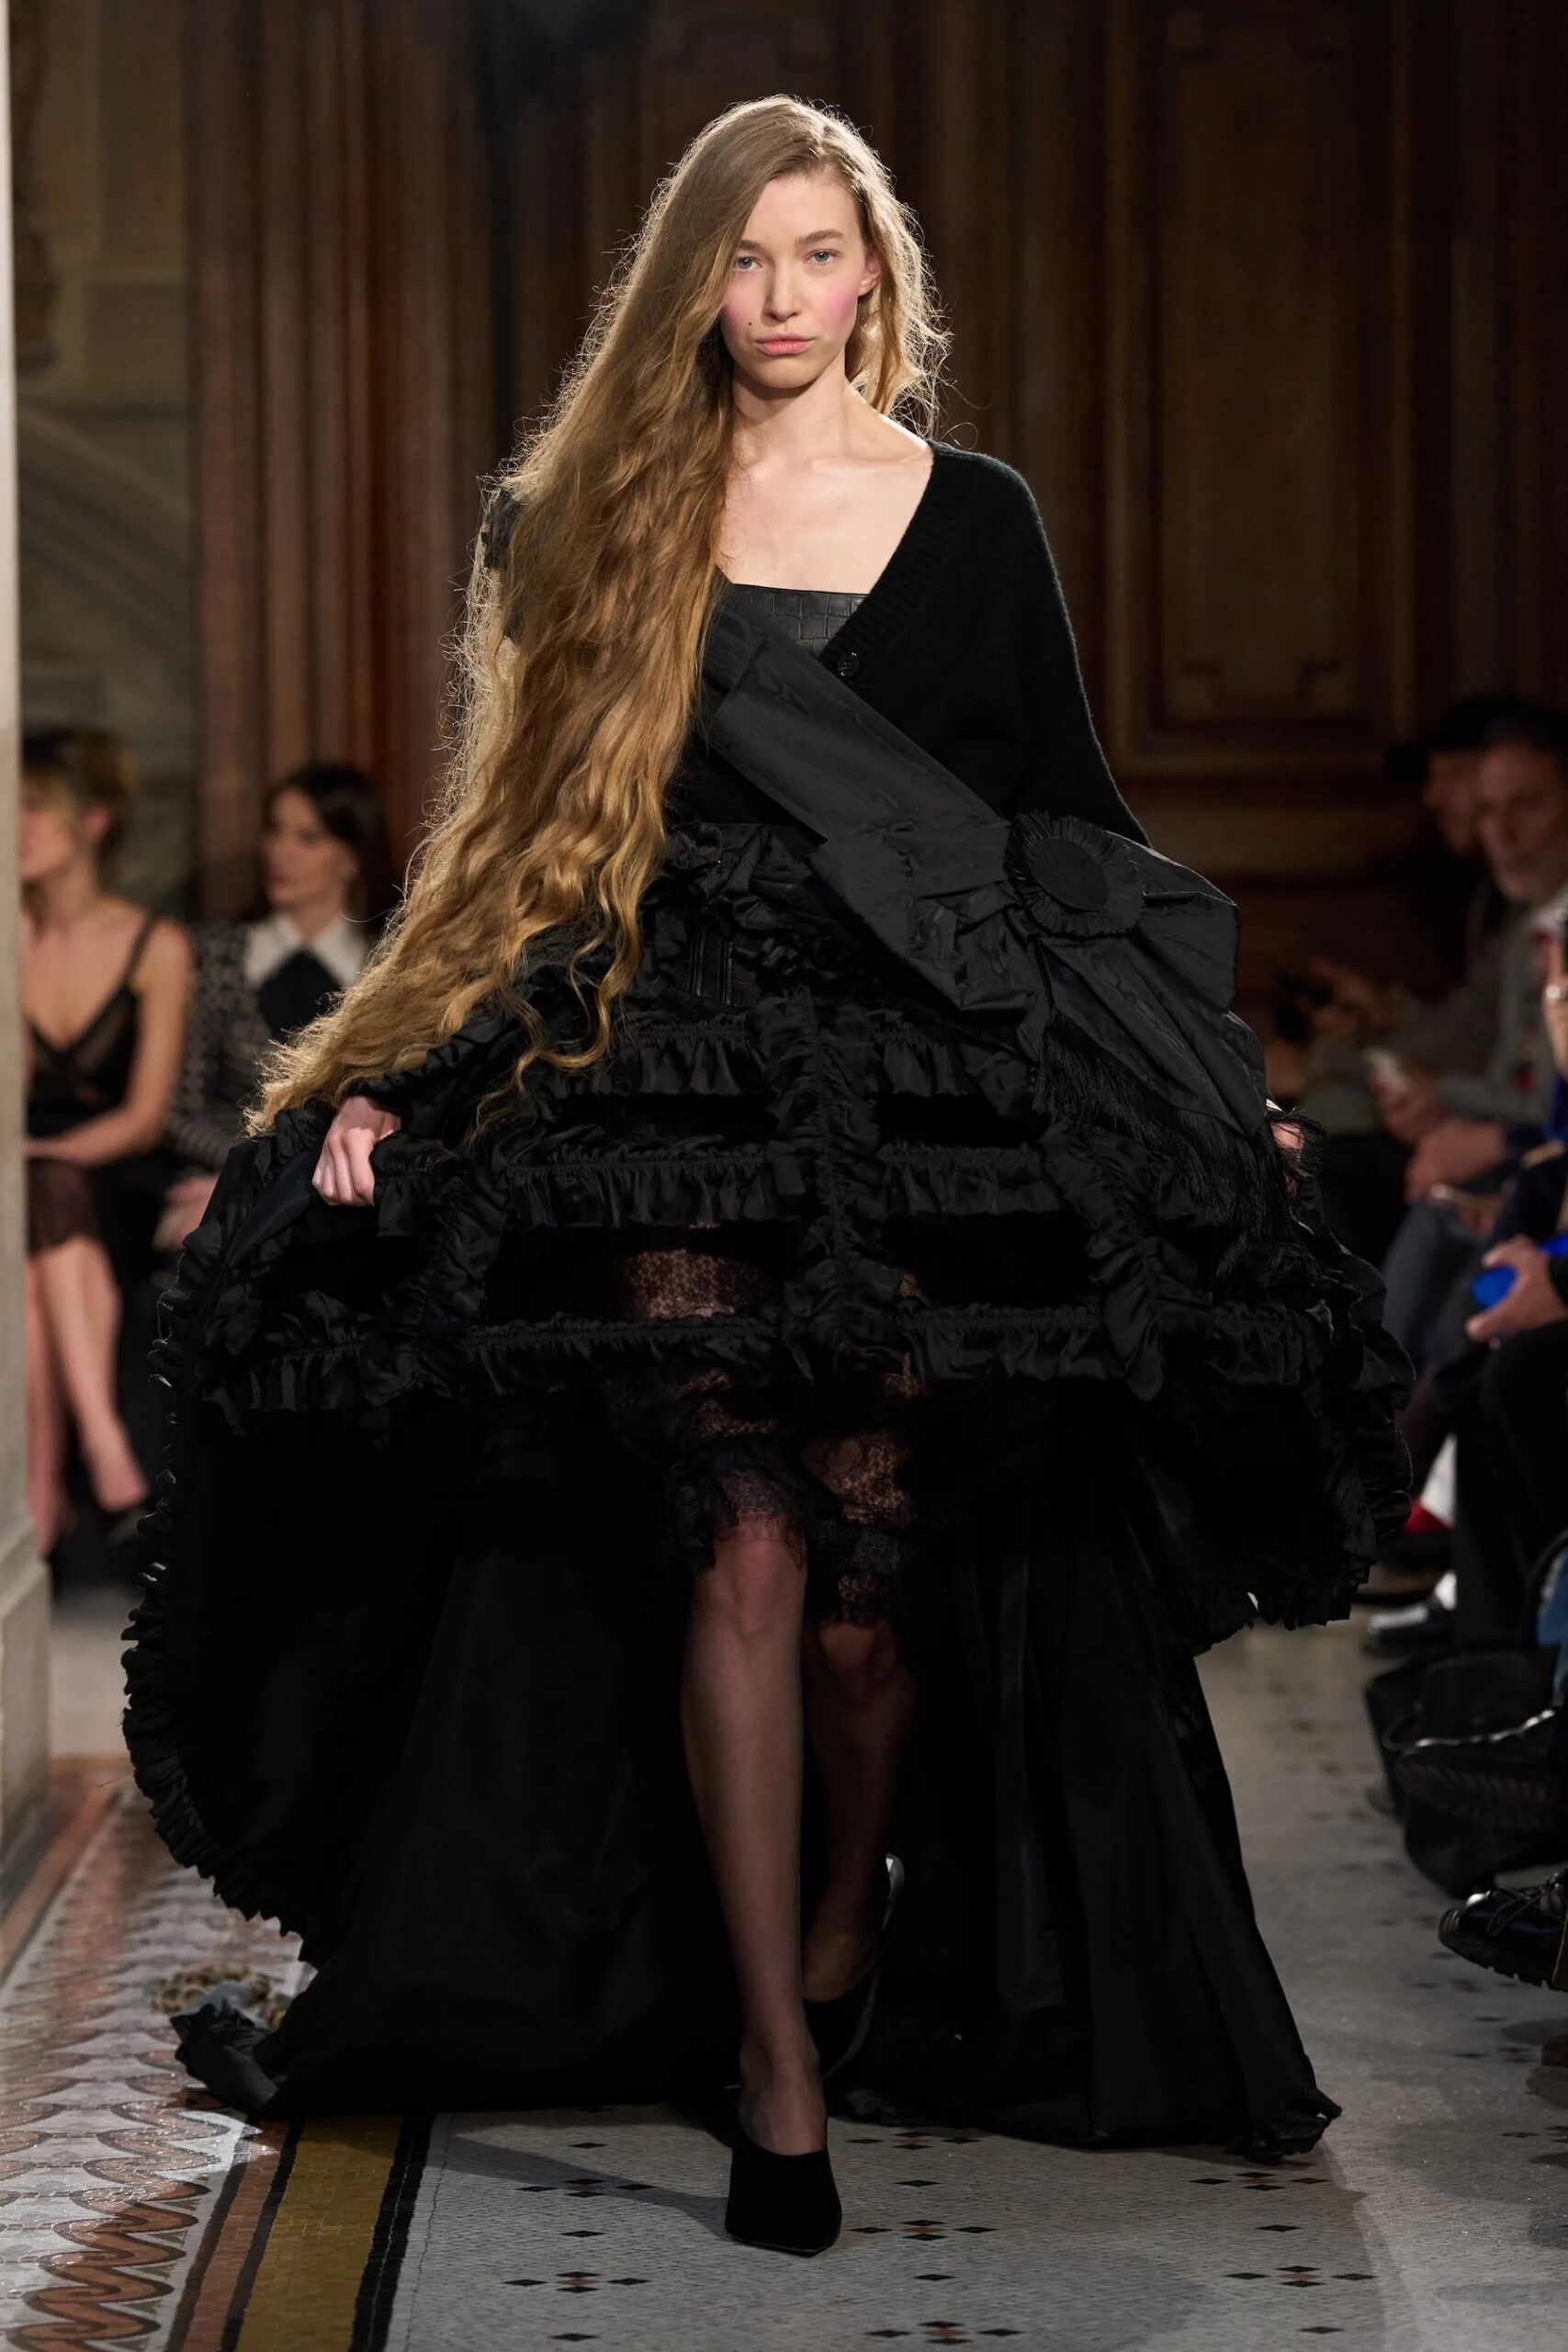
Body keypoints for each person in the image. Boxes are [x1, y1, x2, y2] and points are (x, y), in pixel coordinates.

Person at [122, 98, 1407, 2255]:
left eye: (817, 253)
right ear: (691, 283)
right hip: (672, 1072)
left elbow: (1066, 818)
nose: (782, 294)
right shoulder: (591, 516)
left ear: (871, 273)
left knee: (864, 1614)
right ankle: (772, 2061)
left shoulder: (973, 517)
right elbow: (522, 840)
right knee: (738, 1541)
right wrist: (395, 1077)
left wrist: (1209, 1083)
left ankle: (833, 1927)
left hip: (928, 1091)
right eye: (743, 256)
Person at [21, 728, 190, 1554]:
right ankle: (91, 1455)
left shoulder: (155, 945)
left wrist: (34, 1160)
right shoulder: (7, 935)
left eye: (32, 808)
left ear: (92, 822)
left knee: (47, 1197)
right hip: (24, 1175)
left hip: (115, 1171)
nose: (12, 827)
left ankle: (46, 1485)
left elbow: (143, 1118)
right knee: (32, 1238)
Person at [157, 763, 394, 1253]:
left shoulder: (389, 969)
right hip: (218, 1178)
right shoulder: (217, 954)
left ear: (352, 858)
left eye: (307, 837)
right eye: (274, 830)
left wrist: (280, 1176)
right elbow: (179, 1111)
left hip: (341, 1194)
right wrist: (249, 1170)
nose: (279, 851)